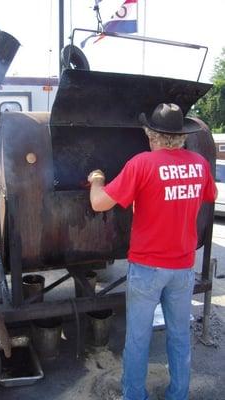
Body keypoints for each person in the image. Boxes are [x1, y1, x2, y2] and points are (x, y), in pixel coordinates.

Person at [87, 103, 217, 400]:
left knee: (138, 338)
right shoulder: (199, 163)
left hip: (147, 267)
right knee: (180, 337)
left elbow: (99, 204)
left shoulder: (142, 163)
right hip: (183, 266)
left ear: (151, 135)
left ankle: (135, 396)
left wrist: (96, 179)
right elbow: (212, 195)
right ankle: (177, 394)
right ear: (181, 136)